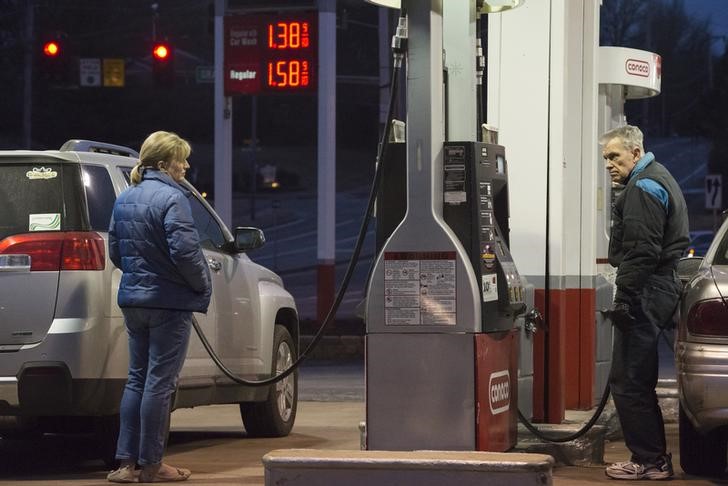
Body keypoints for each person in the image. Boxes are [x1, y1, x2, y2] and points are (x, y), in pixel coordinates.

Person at [106, 131, 212, 483]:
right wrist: (200, 284)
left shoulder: (126, 198)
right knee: (159, 384)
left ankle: (124, 465)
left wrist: (139, 274)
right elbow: (185, 252)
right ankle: (152, 465)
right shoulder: (172, 198)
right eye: (181, 160)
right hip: (168, 303)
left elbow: (115, 251)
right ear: (165, 164)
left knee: (136, 379)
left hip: (134, 300)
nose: (186, 166)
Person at [601, 125, 688, 480]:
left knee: (628, 379)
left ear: (635, 153)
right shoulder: (656, 177)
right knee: (637, 376)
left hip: (646, 288)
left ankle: (650, 460)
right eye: (605, 158)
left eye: (614, 156)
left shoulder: (643, 187)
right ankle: (653, 458)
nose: (609, 164)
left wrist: (624, 298)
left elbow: (642, 250)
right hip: (657, 286)